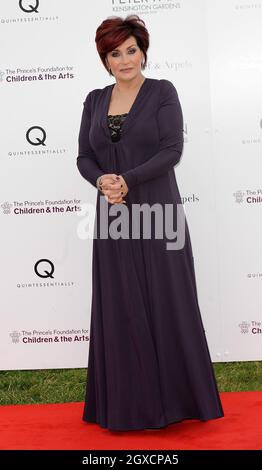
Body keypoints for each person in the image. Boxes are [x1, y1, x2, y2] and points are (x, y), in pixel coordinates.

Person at [77, 14, 224, 432]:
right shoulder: (93, 100)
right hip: (113, 215)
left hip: (159, 212)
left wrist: (127, 179)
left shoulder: (162, 92)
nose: (125, 60)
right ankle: (126, 407)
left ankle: (178, 402)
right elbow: (84, 156)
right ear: (105, 60)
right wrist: (102, 179)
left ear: (143, 51)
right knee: (119, 304)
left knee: (167, 300)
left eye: (131, 50)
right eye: (114, 53)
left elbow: (171, 150)